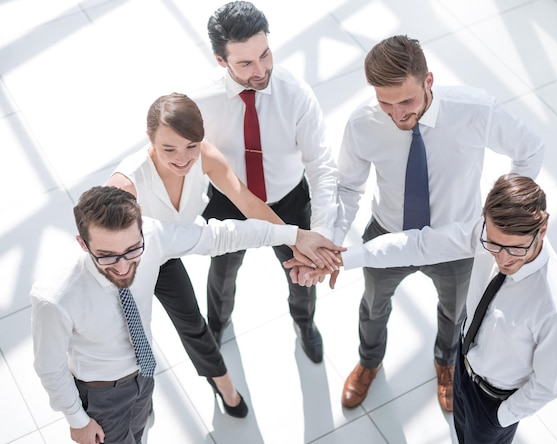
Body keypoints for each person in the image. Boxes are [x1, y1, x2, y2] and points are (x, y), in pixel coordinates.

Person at [330, 35, 545, 411]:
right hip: (387, 232)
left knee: (454, 311)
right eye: (385, 102)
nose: (397, 114)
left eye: (406, 101)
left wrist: (505, 218)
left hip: (456, 241)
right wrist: (331, 240)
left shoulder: (475, 111)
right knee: (373, 305)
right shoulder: (363, 124)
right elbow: (348, 187)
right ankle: (369, 361)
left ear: (428, 81)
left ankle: (446, 363)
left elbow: (530, 149)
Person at [289, 174, 557, 443]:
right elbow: (419, 245)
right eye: (494, 245)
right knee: (458, 434)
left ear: (543, 228)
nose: (502, 259)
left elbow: (549, 384)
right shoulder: (485, 234)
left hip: (496, 402)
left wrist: (500, 417)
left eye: (516, 248)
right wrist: (340, 259)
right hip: (462, 366)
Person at [31, 186, 338, 444]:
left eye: (133, 250)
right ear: (83, 244)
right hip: (101, 393)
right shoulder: (55, 299)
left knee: (138, 433)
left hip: (144, 372)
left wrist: (293, 236)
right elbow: (50, 368)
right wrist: (78, 420)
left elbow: (220, 236)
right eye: (108, 256)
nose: (123, 266)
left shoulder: (152, 235)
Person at [107, 92, 335, 416]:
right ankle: (138, 395)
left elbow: (250, 205)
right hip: (129, 265)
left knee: (191, 323)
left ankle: (223, 384)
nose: (183, 158)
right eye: (168, 148)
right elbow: (100, 244)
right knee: (132, 331)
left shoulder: (206, 157)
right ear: (150, 139)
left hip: (168, 255)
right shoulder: (125, 185)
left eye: (191, 145)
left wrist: (299, 242)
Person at [193, 1, 339, 363]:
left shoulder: (296, 94)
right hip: (229, 200)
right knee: (222, 274)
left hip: (288, 200)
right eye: (245, 63)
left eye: (265, 54)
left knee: (302, 273)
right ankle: (217, 325)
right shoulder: (200, 101)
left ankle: (305, 323)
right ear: (220, 60)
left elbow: (321, 165)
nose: (261, 70)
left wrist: (320, 232)